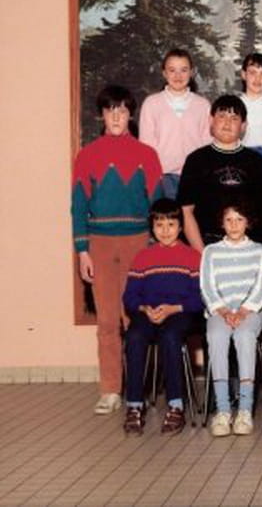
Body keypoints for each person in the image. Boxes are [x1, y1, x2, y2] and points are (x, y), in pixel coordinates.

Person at [72, 84, 163, 415]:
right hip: (99, 244)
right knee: (107, 321)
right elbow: (78, 206)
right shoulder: (87, 155)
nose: (116, 117)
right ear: (101, 115)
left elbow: (158, 207)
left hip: (138, 242)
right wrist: (82, 250)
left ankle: (137, 390)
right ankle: (110, 389)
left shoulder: (147, 155)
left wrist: (154, 249)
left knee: (135, 319)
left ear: (130, 115)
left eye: (122, 111)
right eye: (110, 110)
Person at [122, 199, 202, 435]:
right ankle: (134, 405)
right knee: (134, 336)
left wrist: (173, 308)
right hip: (149, 312)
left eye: (171, 224)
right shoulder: (143, 257)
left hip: (179, 313)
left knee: (170, 336)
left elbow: (200, 298)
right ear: (152, 227)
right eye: (159, 225)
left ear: (180, 227)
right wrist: (145, 308)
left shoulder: (192, 257)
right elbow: (129, 296)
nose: (165, 231)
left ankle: (175, 405)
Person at [201, 200, 262, 436]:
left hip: (250, 312)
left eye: (239, 220)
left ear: (248, 223)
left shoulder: (259, 251)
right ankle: (223, 410)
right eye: (229, 220)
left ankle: (245, 410)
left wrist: (243, 311)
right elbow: (207, 286)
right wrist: (223, 311)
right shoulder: (211, 251)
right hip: (220, 312)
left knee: (244, 336)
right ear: (221, 223)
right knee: (216, 336)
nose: (234, 225)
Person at [177, 94, 262, 250]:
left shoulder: (256, 162)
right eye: (222, 116)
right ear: (211, 120)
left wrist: (253, 250)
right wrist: (202, 254)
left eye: (234, 118)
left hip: (247, 248)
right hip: (205, 244)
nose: (227, 123)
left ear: (243, 125)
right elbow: (186, 211)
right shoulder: (196, 160)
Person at [139, 48, 212, 199]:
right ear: (164, 73)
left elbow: (208, 143)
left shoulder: (203, 105)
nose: (178, 76)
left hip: (194, 176)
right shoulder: (152, 103)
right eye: (172, 70)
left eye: (183, 70)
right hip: (162, 177)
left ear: (192, 72)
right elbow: (146, 145)